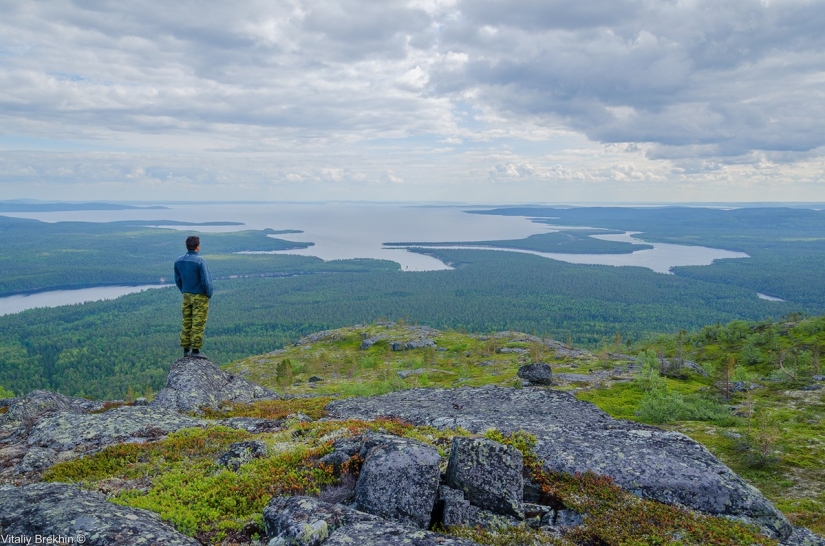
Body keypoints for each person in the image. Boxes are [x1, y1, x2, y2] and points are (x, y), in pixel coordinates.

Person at [174, 235, 213, 359]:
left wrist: (184, 290)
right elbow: (206, 281)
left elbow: (178, 280)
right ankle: (195, 350)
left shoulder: (178, 261)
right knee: (198, 322)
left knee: (187, 321)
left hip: (186, 295)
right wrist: (208, 293)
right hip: (200, 296)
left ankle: (186, 350)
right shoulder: (200, 262)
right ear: (197, 247)